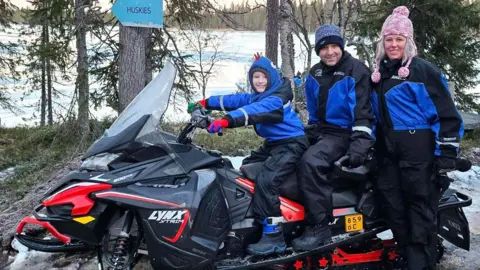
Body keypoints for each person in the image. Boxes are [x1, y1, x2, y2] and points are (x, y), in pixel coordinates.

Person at [369, 6, 464, 269]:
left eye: (399, 39)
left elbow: (447, 114)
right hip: (387, 155)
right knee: (393, 209)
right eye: (388, 39)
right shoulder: (380, 74)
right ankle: (408, 256)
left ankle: (421, 263)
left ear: (408, 42)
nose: (393, 44)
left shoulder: (423, 71)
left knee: (419, 211)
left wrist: (446, 152)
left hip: (418, 153)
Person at [188, 54, 309, 256]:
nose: (259, 81)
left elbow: (251, 111)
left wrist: (225, 121)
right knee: (245, 171)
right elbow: (235, 100)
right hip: (274, 144)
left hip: (292, 144)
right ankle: (251, 222)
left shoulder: (276, 99)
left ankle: (274, 234)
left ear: (271, 78)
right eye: (255, 77)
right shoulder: (259, 95)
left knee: (267, 180)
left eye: (263, 77)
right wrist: (205, 102)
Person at [291, 24, 375, 251]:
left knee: (311, 162)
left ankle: (319, 226)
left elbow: (363, 113)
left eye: (334, 46)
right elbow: (314, 112)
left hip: (346, 133)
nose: (330, 52)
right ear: (318, 50)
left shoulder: (356, 71)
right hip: (322, 129)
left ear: (341, 46)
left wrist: (360, 146)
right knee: (288, 147)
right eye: (324, 48)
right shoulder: (314, 73)